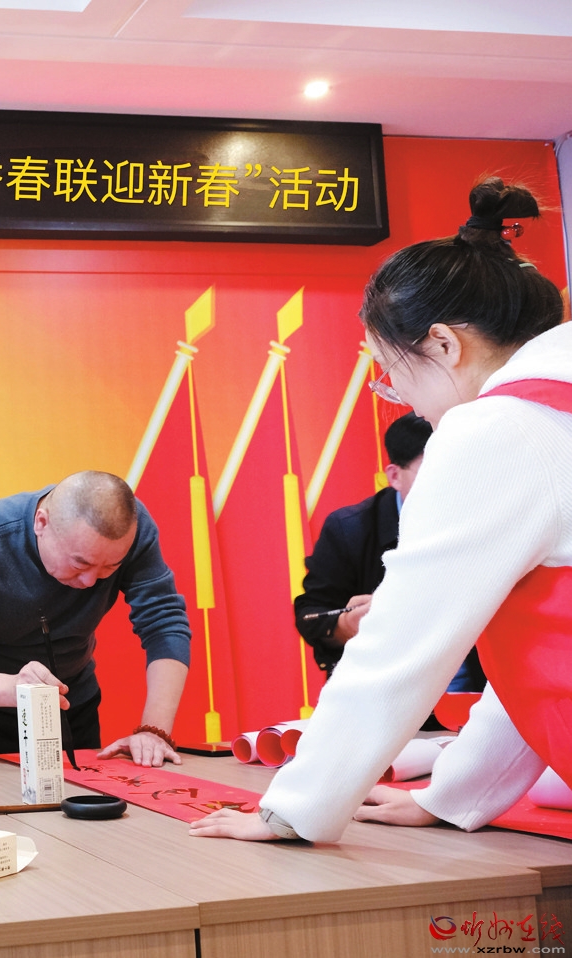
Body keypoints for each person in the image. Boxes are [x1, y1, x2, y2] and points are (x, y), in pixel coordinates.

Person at [190, 178, 571, 844]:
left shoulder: (497, 428)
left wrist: (294, 808)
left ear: (444, 345)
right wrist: (450, 796)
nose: (399, 397)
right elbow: (544, 667)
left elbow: (400, 644)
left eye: (390, 373)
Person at [0, 471, 193, 768]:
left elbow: (164, 623)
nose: (91, 581)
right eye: (80, 563)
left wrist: (154, 731)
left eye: (110, 568)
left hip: (70, 709)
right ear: (41, 523)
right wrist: (15, 688)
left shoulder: (131, 528)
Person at [294, 413, 485, 692]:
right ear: (395, 476)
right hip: (389, 696)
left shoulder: (486, 518)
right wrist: (348, 624)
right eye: (435, 469)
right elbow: (311, 616)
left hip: (479, 694)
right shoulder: (350, 528)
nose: (452, 482)